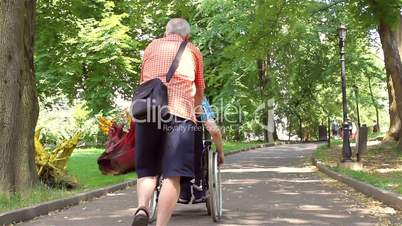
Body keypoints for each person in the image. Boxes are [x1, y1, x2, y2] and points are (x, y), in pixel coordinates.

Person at [132, 18, 204, 226]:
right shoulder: (192, 50)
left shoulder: (151, 47)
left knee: (147, 169)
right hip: (179, 115)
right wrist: (196, 113)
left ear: (166, 32)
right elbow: (199, 91)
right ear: (186, 36)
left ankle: (142, 208)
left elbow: (143, 82)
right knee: (173, 175)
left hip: (148, 112)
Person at [178, 97, 224, 204]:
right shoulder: (198, 98)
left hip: (171, 157)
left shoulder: (166, 98)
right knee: (198, 144)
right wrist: (220, 152)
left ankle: (183, 189)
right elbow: (214, 131)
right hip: (194, 150)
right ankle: (198, 185)